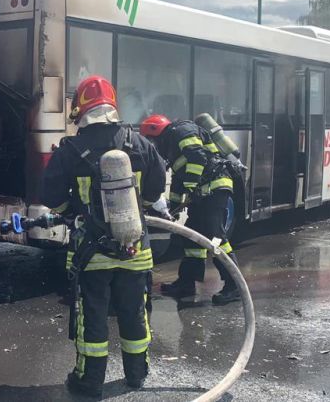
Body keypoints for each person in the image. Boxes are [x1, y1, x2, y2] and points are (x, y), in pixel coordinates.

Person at [42, 76, 167, 397]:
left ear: (81, 110)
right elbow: (156, 188)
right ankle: (137, 374)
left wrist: (73, 212)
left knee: (92, 316)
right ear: (113, 106)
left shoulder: (71, 149)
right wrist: (138, 210)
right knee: (135, 312)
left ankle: (89, 380)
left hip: (92, 252)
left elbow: (50, 194)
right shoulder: (139, 143)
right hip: (135, 248)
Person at [139, 114, 240, 305]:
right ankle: (186, 283)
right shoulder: (171, 146)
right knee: (192, 237)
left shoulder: (181, 132)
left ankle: (234, 286)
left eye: (150, 140)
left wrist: (191, 185)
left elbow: (198, 157)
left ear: (155, 132)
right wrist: (173, 208)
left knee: (215, 238)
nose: (151, 145)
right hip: (203, 193)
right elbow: (179, 177)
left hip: (215, 189)